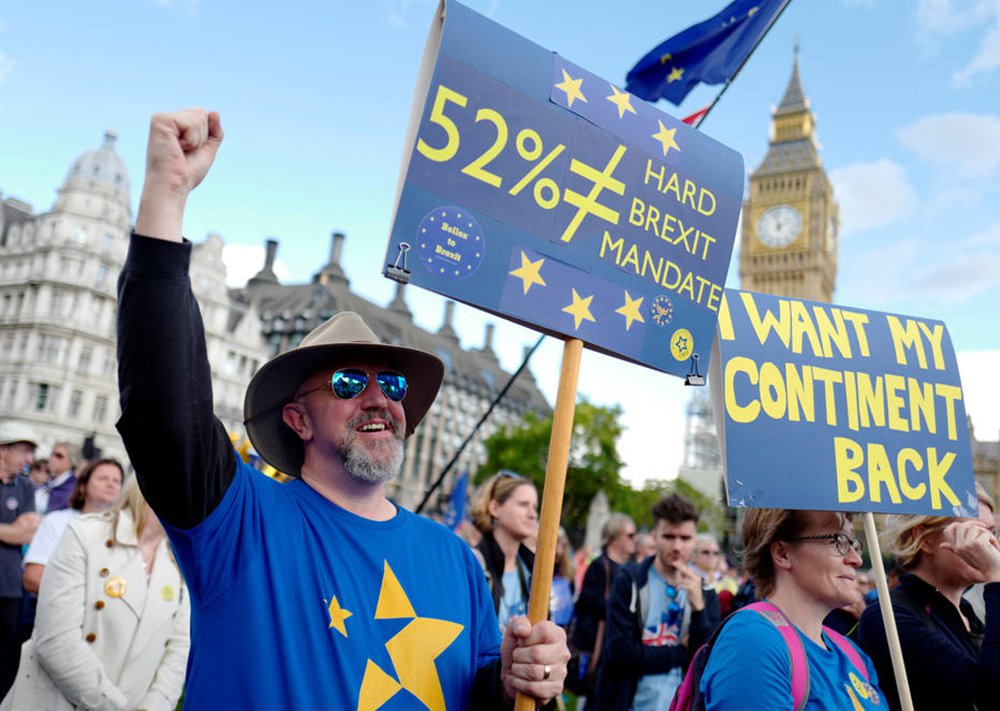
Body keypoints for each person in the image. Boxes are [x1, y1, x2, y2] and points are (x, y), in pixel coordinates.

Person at [114, 108, 567, 709]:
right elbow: (164, 411)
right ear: (296, 418)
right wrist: (166, 197)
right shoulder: (241, 522)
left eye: (395, 387)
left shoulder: (455, 561)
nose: (380, 398)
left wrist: (518, 677)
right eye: (351, 381)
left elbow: (477, 693)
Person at [1, 477, 189, 711]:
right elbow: (55, 639)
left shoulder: (178, 565)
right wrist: (113, 706)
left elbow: (178, 651)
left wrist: (154, 706)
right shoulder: (86, 534)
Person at [700, 509, 882, 710]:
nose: (856, 559)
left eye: (854, 544)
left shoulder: (852, 653)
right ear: (782, 553)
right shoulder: (752, 641)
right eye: (838, 542)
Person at [857, 483, 1000, 710]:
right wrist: (997, 579)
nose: (990, 545)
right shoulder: (890, 616)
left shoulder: (966, 613)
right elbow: (988, 694)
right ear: (924, 538)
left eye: (992, 533)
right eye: (974, 533)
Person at [594, 494, 719, 711]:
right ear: (654, 536)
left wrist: (698, 608)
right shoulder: (630, 582)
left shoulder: (706, 592)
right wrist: (680, 652)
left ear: (695, 539)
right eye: (669, 536)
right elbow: (620, 652)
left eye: (685, 538)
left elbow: (706, 660)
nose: (677, 546)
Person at [22, 458, 125, 594]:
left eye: (116, 481)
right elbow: (33, 579)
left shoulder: (123, 529)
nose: (111, 484)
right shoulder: (56, 521)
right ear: (83, 486)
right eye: (103, 478)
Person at [570, 513, 636, 684]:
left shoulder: (629, 568)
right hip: (596, 645)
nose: (634, 540)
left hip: (616, 646)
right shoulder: (600, 566)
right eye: (630, 535)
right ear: (614, 538)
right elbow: (589, 603)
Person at [469, 472, 539, 631]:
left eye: (535, 507)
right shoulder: (474, 564)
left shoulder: (533, 566)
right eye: (523, 504)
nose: (532, 514)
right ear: (495, 508)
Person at [0, 423, 39, 698]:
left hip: (9, 587)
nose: (29, 459)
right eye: (23, 450)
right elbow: (18, 530)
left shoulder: (25, 486)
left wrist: (16, 532)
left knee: (3, 656)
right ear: (3, 449)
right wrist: (10, 530)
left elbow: (28, 531)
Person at [43, 443, 82, 514]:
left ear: (71, 462)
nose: (52, 458)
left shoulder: (73, 489)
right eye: (52, 454)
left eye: (59, 456)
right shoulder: (48, 482)